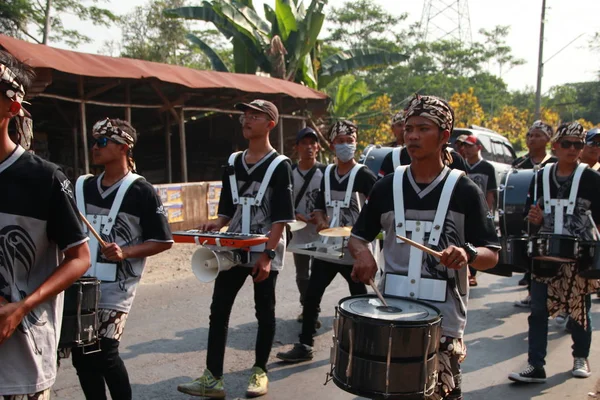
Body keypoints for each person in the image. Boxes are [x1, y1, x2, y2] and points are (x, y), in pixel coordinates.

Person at [349, 94, 500, 400]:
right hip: (391, 316)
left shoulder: (464, 189)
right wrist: (363, 253)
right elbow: (357, 237)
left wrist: (467, 254)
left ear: (444, 136)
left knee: (440, 394)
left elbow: (492, 255)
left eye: (423, 128)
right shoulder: (386, 186)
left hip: (443, 321)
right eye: (409, 128)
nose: (413, 135)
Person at [177, 100, 294, 398]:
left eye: (255, 116)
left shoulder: (280, 165)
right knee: (219, 310)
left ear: (270, 124)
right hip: (233, 248)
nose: (247, 120)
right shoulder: (232, 161)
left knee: (264, 312)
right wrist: (217, 223)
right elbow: (227, 205)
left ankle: (259, 371)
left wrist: (268, 256)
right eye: (245, 115)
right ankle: (212, 378)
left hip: (264, 248)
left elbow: (281, 216)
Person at [0, 51, 91, 399]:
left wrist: (21, 307)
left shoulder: (44, 178)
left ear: (12, 106)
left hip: (22, 365)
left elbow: (79, 257)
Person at [68, 118, 173, 400]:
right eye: (94, 141)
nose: (95, 147)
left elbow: (163, 240)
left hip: (117, 288)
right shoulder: (83, 187)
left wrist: (125, 252)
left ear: (124, 147)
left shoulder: (142, 191)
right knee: (80, 353)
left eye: (103, 142)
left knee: (105, 351)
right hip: (80, 285)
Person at [276, 120, 377, 363]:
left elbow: (377, 210)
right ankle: (305, 344)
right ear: (332, 145)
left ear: (356, 143)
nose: (345, 146)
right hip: (330, 247)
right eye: (340, 142)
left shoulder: (364, 175)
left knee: (359, 296)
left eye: (349, 141)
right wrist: (320, 218)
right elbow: (320, 205)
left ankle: (366, 344)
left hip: (354, 248)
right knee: (312, 294)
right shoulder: (328, 173)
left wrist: (363, 238)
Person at [508, 122, 600, 383]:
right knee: (538, 309)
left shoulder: (591, 179)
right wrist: (533, 219)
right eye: (568, 144)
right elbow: (529, 213)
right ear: (556, 146)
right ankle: (536, 364)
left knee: (579, 308)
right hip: (544, 252)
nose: (573, 149)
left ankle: (580, 356)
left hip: (578, 253)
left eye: (579, 145)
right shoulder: (540, 177)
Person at [513, 121, 557, 305]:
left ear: (548, 139)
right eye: (530, 135)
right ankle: (533, 294)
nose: (533, 139)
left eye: (538, 135)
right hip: (527, 216)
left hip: (550, 217)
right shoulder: (519, 164)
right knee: (531, 254)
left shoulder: (554, 163)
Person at [289, 127, 325, 323]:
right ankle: (308, 307)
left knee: (318, 276)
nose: (309, 147)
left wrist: (321, 216)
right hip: (298, 232)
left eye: (312, 143)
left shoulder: (326, 172)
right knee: (302, 275)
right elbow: (283, 201)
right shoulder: (290, 172)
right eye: (304, 143)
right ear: (297, 147)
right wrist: (295, 214)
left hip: (320, 232)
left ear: (318, 147)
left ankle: (313, 310)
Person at [462, 135, 498, 287]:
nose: (467, 149)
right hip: (463, 208)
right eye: (465, 146)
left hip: (479, 209)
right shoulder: (461, 165)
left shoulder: (487, 167)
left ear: (479, 147)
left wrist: (488, 211)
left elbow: (490, 191)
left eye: (470, 146)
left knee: (475, 242)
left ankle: (473, 273)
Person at [378, 109, 406, 178]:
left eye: (407, 125)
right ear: (392, 128)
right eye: (399, 125)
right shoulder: (385, 151)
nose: (403, 129)